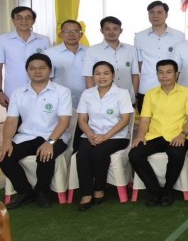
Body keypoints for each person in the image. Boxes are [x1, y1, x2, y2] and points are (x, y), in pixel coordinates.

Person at [0, 54, 71, 209]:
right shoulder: (18, 93)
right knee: (4, 156)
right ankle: (26, 192)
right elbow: (11, 120)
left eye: (42, 68)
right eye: (32, 68)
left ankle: (42, 191)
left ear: (50, 70)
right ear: (27, 71)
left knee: (45, 154)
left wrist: (50, 142)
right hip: (26, 136)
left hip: (54, 136)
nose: (37, 71)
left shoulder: (62, 91)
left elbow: (64, 121)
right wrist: (6, 141)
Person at [128, 59, 188, 207]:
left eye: (168, 72)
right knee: (134, 154)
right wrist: (140, 135)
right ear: (157, 74)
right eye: (161, 72)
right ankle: (154, 191)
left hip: (178, 135)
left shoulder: (187, 93)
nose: (164, 76)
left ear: (176, 74)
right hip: (155, 135)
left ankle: (167, 190)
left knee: (176, 153)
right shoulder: (150, 94)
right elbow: (145, 120)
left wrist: (182, 134)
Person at [74, 61, 134, 211]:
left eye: (106, 73)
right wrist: (89, 134)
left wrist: (105, 136)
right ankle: (86, 193)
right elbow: (81, 119)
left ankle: (99, 189)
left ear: (113, 75)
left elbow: (125, 119)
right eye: (98, 74)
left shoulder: (122, 93)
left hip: (117, 136)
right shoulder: (87, 94)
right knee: (83, 154)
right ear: (93, 76)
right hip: (91, 135)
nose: (102, 77)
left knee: (99, 152)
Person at [134, 0, 185, 111]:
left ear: (166, 15)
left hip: (170, 89)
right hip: (146, 88)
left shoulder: (179, 36)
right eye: (151, 12)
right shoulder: (139, 36)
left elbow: (180, 65)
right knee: (146, 122)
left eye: (159, 12)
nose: (155, 15)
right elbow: (139, 63)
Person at [0, 6, 51, 108]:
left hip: (41, 92)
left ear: (33, 21)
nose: (24, 21)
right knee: (15, 123)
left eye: (28, 18)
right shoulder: (3, 40)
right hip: (13, 93)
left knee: (42, 122)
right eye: (19, 18)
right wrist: (0, 92)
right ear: (13, 21)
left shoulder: (44, 40)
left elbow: (49, 67)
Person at [83, 16, 139, 106]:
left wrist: (135, 95)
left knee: (128, 120)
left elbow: (135, 75)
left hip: (127, 98)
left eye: (115, 29)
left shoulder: (131, 50)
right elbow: (89, 77)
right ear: (101, 31)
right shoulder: (91, 51)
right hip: (102, 99)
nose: (111, 32)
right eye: (107, 29)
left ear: (121, 31)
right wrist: (93, 98)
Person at [44, 20, 87, 109]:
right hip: (60, 100)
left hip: (86, 100)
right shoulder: (49, 54)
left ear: (81, 34)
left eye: (75, 31)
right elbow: (47, 80)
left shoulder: (90, 52)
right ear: (61, 34)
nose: (71, 34)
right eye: (67, 31)